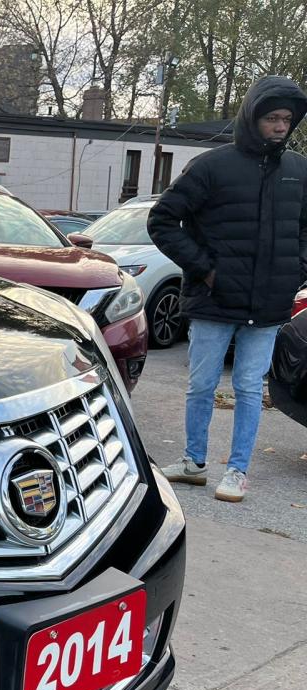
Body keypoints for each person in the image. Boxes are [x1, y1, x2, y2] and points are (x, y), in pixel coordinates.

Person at [148, 75, 307, 502]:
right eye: (272, 117)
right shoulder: (212, 166)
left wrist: (296, 270)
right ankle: (193, 462)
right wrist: (206, 271)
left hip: (270, 303)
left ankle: (237, 471)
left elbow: (305, 229)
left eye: (287, 119)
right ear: (252, 116)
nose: (280, 126)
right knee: (201, 384)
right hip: (213, 300)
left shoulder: (299, 169)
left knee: (250, 388)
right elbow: (162, 220)